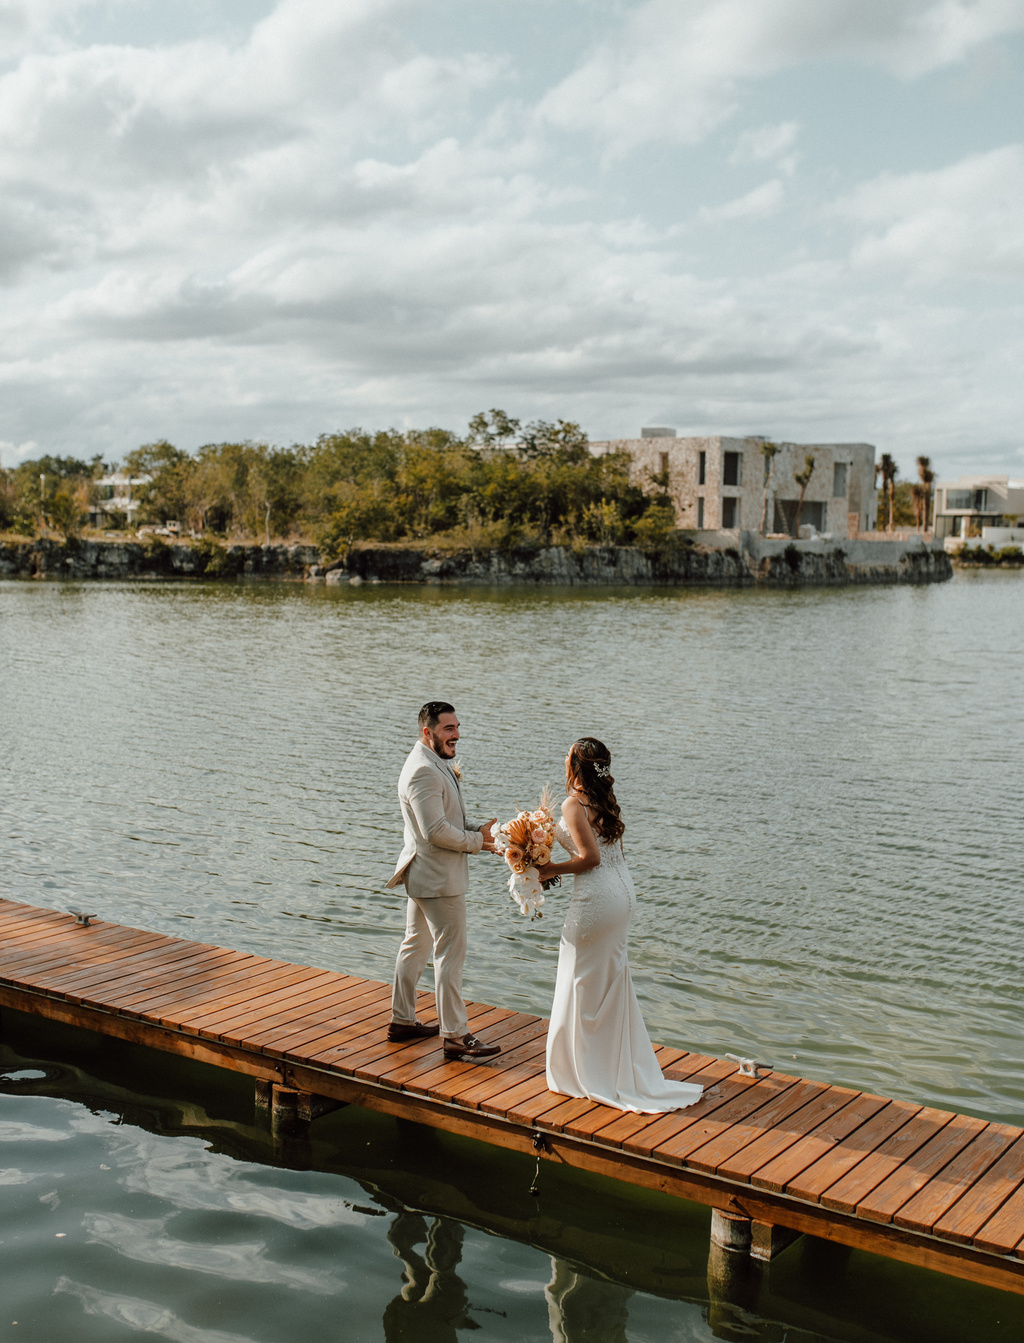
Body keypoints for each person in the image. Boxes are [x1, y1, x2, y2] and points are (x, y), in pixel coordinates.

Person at [535, 738, 704, 1112]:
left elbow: (590, 858)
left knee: (578, 976)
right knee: (608, 980)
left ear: (576, 765)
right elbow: (610, 853)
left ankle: (583, 1072)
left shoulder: (573, 803)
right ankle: (612, 1067)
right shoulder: (604, 800)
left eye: (567, 756)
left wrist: (548, 869)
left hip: (597, 898)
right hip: (623, 893)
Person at [386, 701, 502, 1060]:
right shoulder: (423, 771)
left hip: (424, 876)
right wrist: (479, 843)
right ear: (428, 732)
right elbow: (435, 831)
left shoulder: (432, 763)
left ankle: (403, 1020)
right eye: (448, 729)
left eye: (457, 727)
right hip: (438, 881)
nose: (456, 735)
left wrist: (477, 827)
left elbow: (445, 818)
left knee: (416, 947)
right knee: (450, 955)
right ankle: (455, 1035)